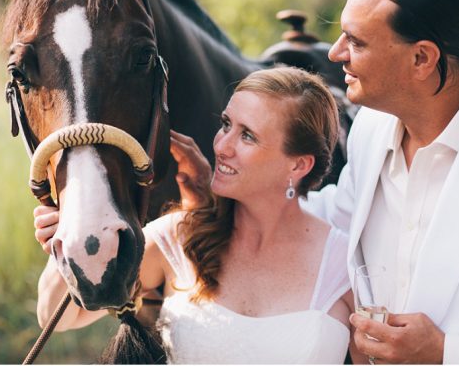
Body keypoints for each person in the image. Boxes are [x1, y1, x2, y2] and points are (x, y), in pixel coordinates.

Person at [171, 0, 459, 365]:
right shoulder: (372, 129)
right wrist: (225, 193)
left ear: (422, 59)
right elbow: (334, 221)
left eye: (356, 42)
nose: (334, 52)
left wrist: (450, 352)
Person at [33, 67, 358, 364]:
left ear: (298, 165)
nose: (222, 147)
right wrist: (71, 229)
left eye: (247, 136)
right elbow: (58, 318)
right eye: (226, 125)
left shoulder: (344, 264)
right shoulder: (180, 236)